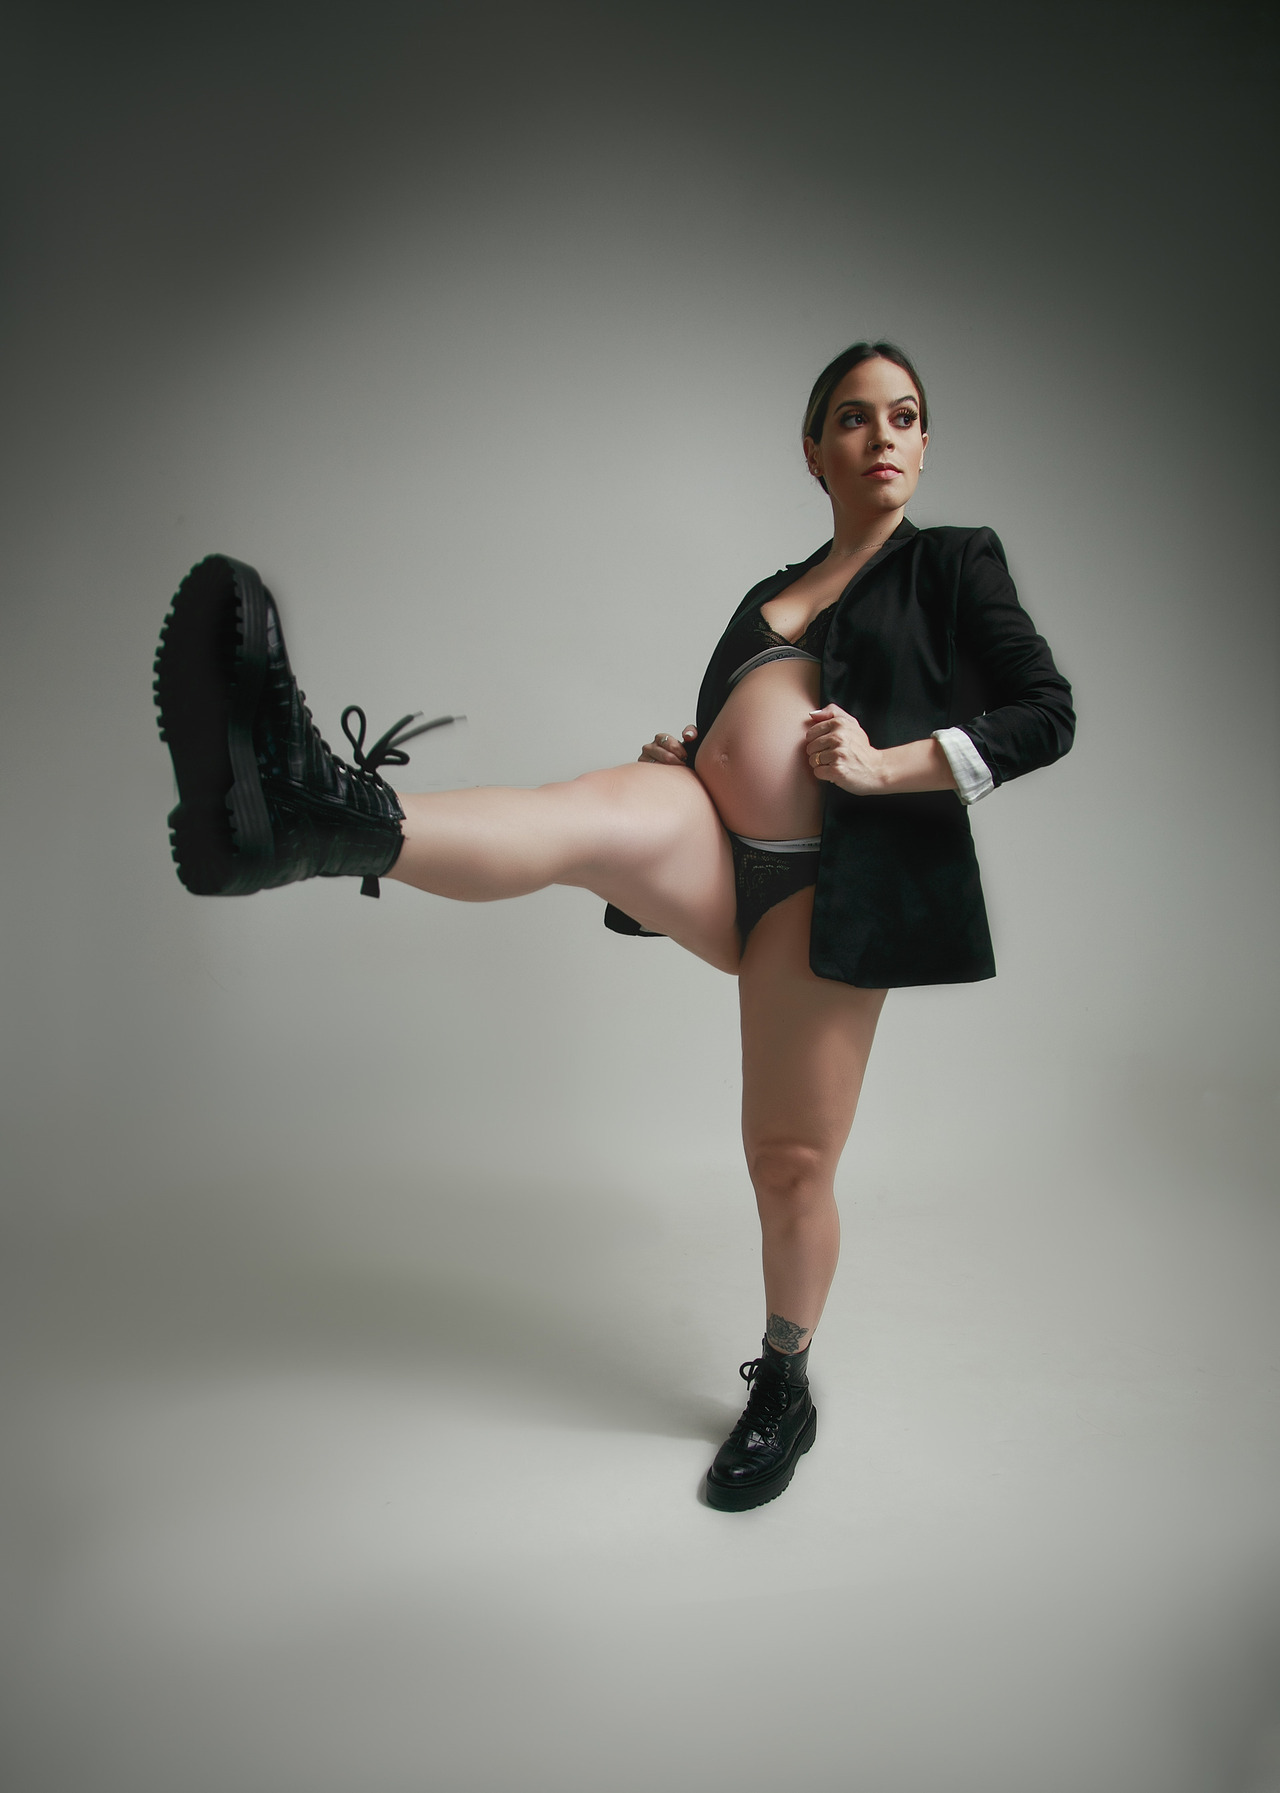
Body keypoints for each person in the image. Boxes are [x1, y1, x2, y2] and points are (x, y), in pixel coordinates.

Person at [153, 341, 1075, 1511]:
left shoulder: (950, 562)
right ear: (813, 449)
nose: (880, 435)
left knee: (788, 1160)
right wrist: (695, 752)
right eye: (852, 417)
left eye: (902, 416)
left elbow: (1044, 712)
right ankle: (316, 818)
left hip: (831, 880)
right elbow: (746, 713)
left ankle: (783, 1382)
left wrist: (885, 766)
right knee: (577, 816)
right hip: (710, 836)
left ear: (924, 443)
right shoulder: (772, 585)